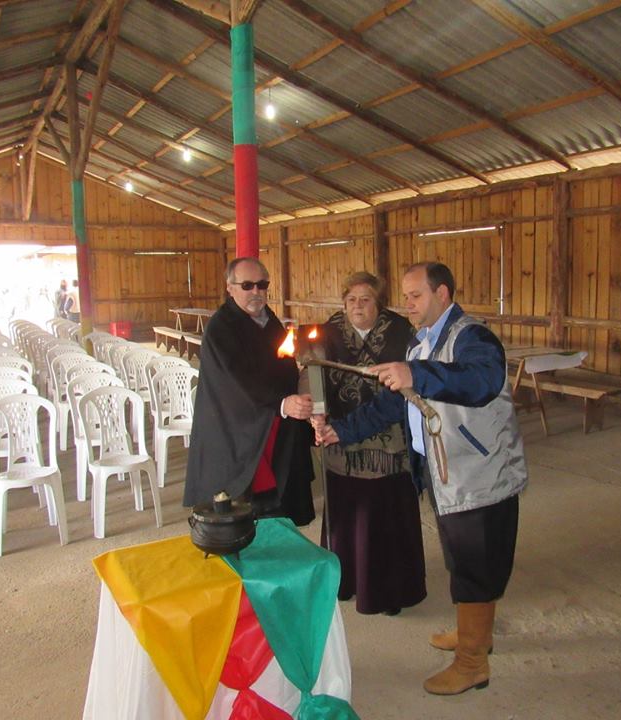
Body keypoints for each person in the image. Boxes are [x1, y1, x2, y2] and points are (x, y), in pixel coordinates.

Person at [314, 262, 527, 696]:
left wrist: (418, 374)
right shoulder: (421, 342)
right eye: (407, 296)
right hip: (446, 472)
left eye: (416, 296)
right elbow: (396, 404)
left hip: (478, 473)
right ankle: (474, 632)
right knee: (462, 559)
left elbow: (483, 379)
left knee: (475, 564)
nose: (407, 304)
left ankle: (472, 663)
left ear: (442, 294)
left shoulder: (471, 336)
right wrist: (343, 430)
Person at [311, 271, 426, 616]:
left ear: (379, 303)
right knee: (348, 516)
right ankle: (346, 581)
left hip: (388, 445)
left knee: (385, 517)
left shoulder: (403, 334)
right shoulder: (327, 332)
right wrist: (315, 412)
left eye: (365, 299)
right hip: (340, 444)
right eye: (351, 300)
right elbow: (310, 373)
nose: (357, 306)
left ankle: (389, 592)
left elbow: (404, 392)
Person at [184, 257, 315, 525]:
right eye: (247, 285)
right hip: (241, 429)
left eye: (262, 285)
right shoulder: (221, 327)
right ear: (230, 288)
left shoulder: (270, 320)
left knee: (283, 504)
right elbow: (236, 381)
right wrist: (282, 403)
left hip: (279, 422)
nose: (256, 291)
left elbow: (284, 362)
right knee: (247, 513)